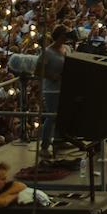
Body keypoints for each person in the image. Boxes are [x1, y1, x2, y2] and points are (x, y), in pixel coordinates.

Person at [35, 25, 69, 158]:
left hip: (63, 88)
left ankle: (59, 140)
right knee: (51, 116)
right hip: (51, 89)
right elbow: (38, 71)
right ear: (60, 36)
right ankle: (44, 146)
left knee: (62, 115)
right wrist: (52, 76)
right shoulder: (47, 52)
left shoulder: (66, 49)